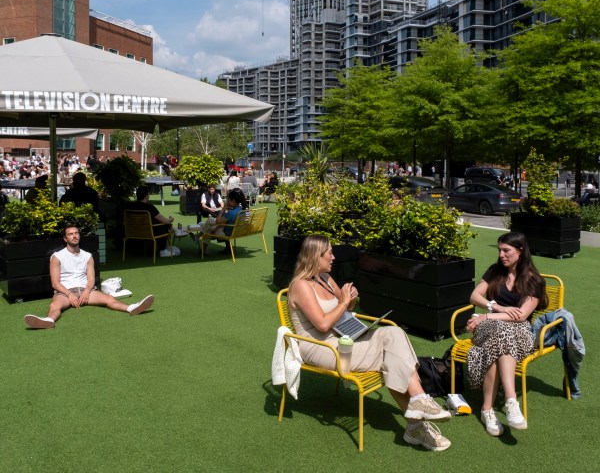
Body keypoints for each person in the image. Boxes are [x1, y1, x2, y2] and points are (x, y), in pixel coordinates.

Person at [287, 235, 452, 452]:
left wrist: (350, 299)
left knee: (393, 332)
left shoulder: (325, 279)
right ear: (316, 256)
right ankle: (416, 423)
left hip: (342, 337)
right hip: (321, 347)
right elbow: (323, 324)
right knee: (390, 356)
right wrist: (345, 301)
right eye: (330, 253)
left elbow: (344, 311)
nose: (334, 257)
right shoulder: (301, 285)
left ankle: (418, 404)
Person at [467, 231, 547, 437]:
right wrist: (496, 307)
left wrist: (484, 317)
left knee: (500, 340)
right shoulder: (495, 271)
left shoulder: (534, 280)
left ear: (520, 251)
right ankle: (511, 402)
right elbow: (474, 296)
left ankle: (487, 409)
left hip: (518, 331)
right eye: (500, 250)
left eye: (506, 250)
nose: (502, 255)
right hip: (490, 327)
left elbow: (521, 316)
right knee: (500, 335)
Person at [23, 226, 154, 329]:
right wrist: (70, 294)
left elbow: (91, 279)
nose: (74, 236)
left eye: (76, 233)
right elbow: (55, 283)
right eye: (70, 234)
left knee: (109, 298)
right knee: (55, 305)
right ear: (65, 239)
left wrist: (86, 292)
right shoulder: (57, 256)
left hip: (86, 290)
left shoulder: (87, 256)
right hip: (65, 292)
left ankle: (131, 308)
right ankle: (49, 320)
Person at [128, 185, 179, 257]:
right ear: (146, 195)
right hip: (149, 232)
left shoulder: (130, 206)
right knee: (164, 224)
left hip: (132, 231)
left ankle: (175, 230)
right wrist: (171, 219)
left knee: (159, 221)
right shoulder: (149, 207)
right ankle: (163, 250)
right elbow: (164, 221)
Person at [201, 188, 247, 254]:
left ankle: (203, 250)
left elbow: (218, 221)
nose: (227, 201)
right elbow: (227, 222)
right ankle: (205, 249)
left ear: (233, 200)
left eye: (228, 199)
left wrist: (222, 210)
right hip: (237, 231)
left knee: (209, 228)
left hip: (228, 234)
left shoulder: (231, 212)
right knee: (210, 225)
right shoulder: (241, 209)